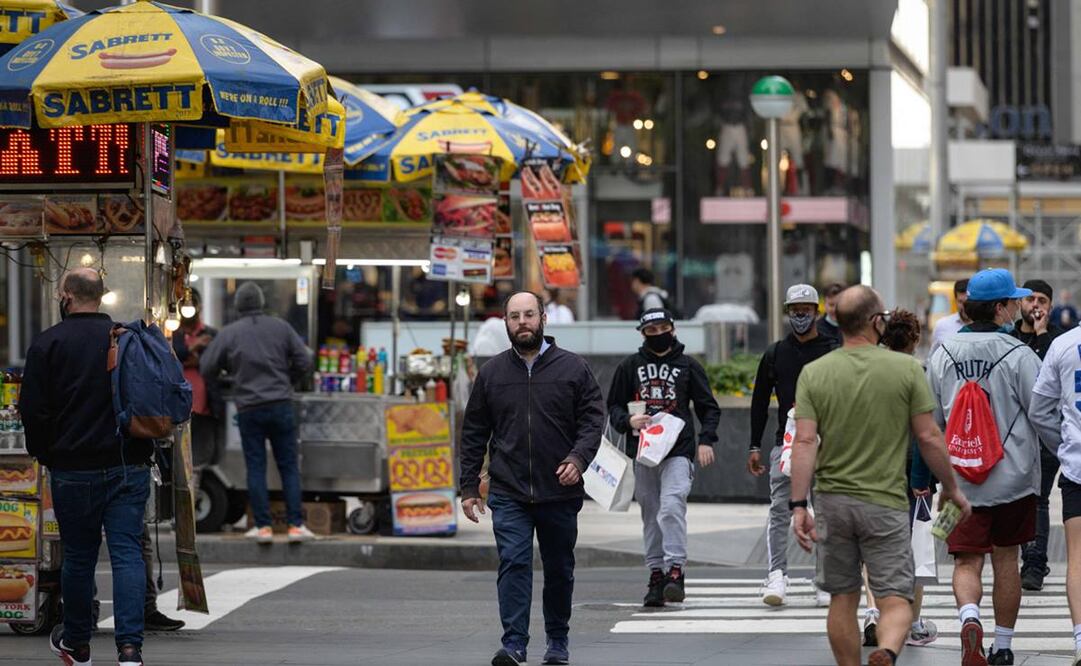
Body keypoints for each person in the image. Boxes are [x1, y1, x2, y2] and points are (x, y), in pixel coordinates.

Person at [789, 285, 970, 666]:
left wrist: (798, 505)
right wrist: (951, 487)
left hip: (833, 502)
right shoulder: (905, 369)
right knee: (896, 599)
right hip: (885, 502)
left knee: (843, 597)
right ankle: (887, 650)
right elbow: (928, 436)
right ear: (876, 322)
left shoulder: (814, 373)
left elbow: (804, 441)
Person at [20, 268, 159, 666]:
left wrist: (48, 454)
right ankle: (130, 648)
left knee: (79, 557)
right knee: (127, 554)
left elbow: (33, 412)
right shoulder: (126, 338)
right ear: (102, 295)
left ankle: (78, 643)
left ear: (66, 294)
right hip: (128, 463)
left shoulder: (48, 343)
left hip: (72, 468)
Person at [459, 291, 604, 666]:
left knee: (559, 568)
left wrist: (579, 458)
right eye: (514, 317)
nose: (522, 322)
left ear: (543, 318)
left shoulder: (573, 368)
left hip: (560, 489)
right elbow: (474, 432)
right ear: (505, 322)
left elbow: (592, 421)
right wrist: (469, 487)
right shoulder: (492, 374)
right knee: (514, 562)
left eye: (528, 315)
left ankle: (557, 641)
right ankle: (514, 644)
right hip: (509, 490)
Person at [926, 268, 1042, 666]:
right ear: (997, 307)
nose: (1016, 307)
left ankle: (969, 618)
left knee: (966, 560)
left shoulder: (942, 354)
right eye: (1012, 301)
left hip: (959, 481)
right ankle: (1004, 646)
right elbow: (1040, 411)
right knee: (1007, 557)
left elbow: (930, 424)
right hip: (1013, 479)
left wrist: (929, 478)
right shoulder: (1019, 354)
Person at [607, 308, 721, 607]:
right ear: (642, 334)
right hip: (643, 453)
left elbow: (709, 406)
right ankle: (656, 574)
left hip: (678, 450)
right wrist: (627, 422)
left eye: (662, 328)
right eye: (651, 331)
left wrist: (706, 439)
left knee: (671, 506)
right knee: (651, 512)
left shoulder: (688, 366)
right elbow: (614, 406)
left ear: (673, 328)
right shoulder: (630, 366)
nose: (658, 335)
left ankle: (675, 570)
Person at [200, 282, 315, 543]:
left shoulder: (229, 333)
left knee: (256, 466)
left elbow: (207, 367)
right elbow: (305, 360)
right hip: (280, 404)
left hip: (249, 407)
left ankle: (263, 527)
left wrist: (230, 374)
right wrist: (288, 380)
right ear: (261, 302)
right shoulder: (281, 327)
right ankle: (296, 526)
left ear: (238, 305)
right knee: (288, 466)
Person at [747, 284, 838, 607]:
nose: (800, 316)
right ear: (788, 313)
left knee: (826, 509)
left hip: (827, 443)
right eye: (795, 311)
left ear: (817, 312)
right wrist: (754, 445)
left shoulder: (832, 349)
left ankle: (824, 578)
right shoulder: (775, 353)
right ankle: (776, 574)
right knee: (779, 510)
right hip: (784, 444)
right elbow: (759, 402)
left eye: (806, 310)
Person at [876, 309, 939, 648]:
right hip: (914, 471)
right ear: (915, 339)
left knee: (882, 546)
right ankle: (912, 623)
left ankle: (881, 614)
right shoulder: (920, 372)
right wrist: (923, 477)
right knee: (914, 547)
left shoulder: (869, 370)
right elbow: (924, 430)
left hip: (876, 471)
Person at [1028, 321, 1081, 666]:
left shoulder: (1063, 345)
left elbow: (1038, 410)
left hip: (1078, 466)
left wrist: (1061, 445)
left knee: (1077, 558)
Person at [1013, 279, 1064, 591]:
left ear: (1050, 307)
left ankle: (1035, 562)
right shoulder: (1009, 336)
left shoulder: (1057, 340)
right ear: (1019, 303)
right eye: (1030, 299)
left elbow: (1052, 377)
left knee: (1039, 498)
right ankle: (1026, 552)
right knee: (1021, 498)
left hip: (1045, 432)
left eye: (1042, 300)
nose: (1035, 305)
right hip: (1013, 433)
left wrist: (1043, 334)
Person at [930, 279, 971, 355]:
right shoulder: (942, 325)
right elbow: (932, 359)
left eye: (967, 302)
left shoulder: (984, 327)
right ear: (955, 300)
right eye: (960, 302)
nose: (965, 307)